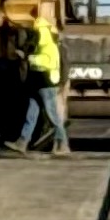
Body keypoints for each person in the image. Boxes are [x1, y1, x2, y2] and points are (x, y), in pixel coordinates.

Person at [18, 14, 70, 154]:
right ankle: (22, 142)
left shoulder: (49, 47)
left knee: (53, 116)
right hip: (38, 85)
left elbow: (47, 62)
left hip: (47, 85)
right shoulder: (41, 46)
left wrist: (29, 58)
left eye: (36, 32)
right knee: (31, 113)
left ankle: (63, 144)